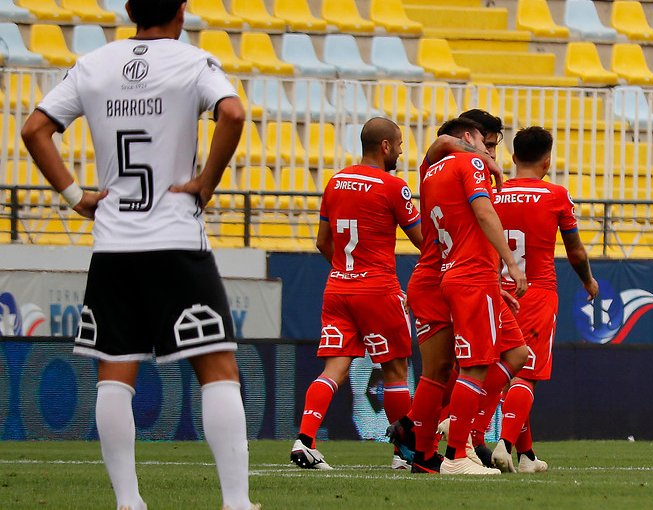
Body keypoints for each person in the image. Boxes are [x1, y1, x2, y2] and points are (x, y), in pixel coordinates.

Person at [20, 1, 256, 508]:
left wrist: (73, 194)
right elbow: (233, 113)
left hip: (114, 244)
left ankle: (129, 502)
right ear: (183, 9)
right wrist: (206, 182)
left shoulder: (95, 65)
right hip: (174, 237)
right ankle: (235, 502)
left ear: (129, 9)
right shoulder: (193, 62)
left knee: (115, 373)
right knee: (217, 370)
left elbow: (34, 129)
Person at [290, 117, 423, 470]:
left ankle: (305, 440)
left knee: (334, 368)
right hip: (378, 290)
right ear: (384, 147)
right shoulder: (393, 187)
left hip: (338, 287)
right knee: (395, 369)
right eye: (398, 145)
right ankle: (403, 455)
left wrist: (347, 269)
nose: (400, 152)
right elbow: (425, 242)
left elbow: (322, 241)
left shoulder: (335, 183)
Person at [416, 116, 528, 475]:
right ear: (468, 137)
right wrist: (511, 263)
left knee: (515, 353)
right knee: (472, 365)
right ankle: (455, 454)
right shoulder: (471, 161)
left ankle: (451, 431)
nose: (490, 150)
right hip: (470, 276)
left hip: (455, 273)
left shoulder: (433, 171)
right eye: (487, 142)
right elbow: (482, 211)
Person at [490, 127, 599, 473]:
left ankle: (527, 456)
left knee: (508, 371)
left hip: (499, 291)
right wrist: (588, 281)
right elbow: (576, 251)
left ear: (512, 157)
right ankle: (504, 444)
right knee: (527, 375)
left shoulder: (494, 194)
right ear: (547, 159)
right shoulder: (555, 195)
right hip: (535, 293)